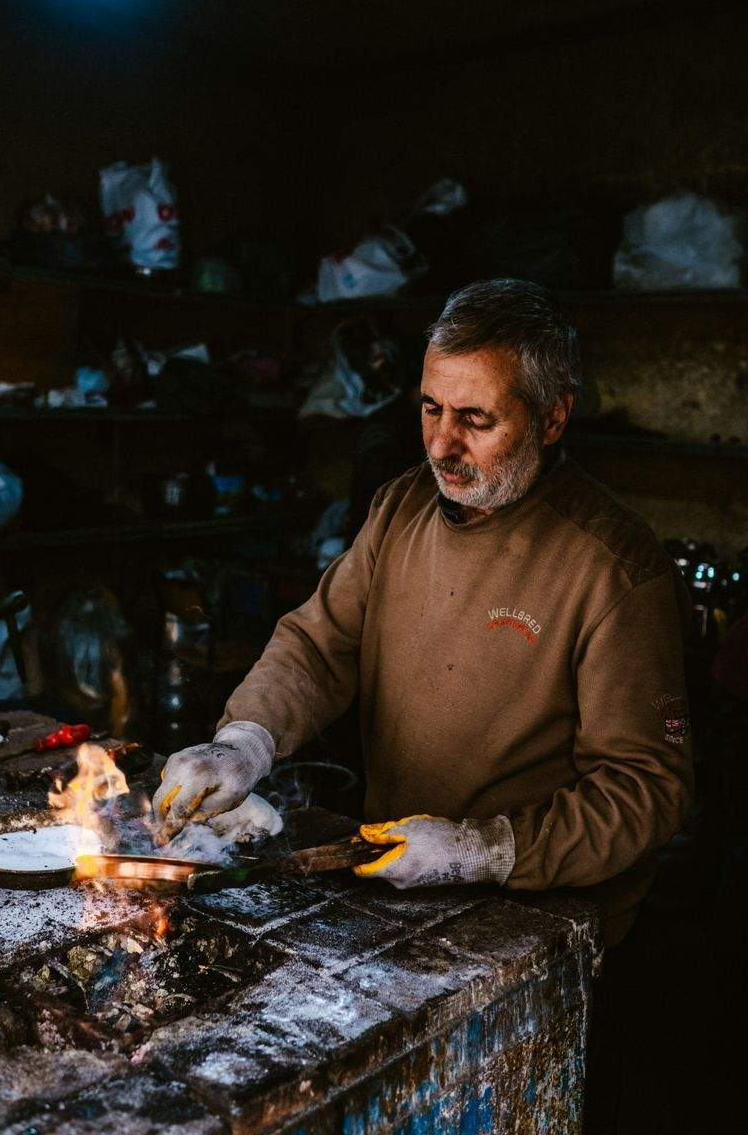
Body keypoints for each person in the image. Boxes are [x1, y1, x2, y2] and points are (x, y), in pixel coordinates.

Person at [153, 277, 693, 951]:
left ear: (553, 418)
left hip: (539, 923)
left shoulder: (614, 567)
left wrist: (487, 851)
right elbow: (320, 645)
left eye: (476, 418)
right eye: (431, 408)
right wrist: (247, 740)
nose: (441, 444)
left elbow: (646, 790)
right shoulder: (401, 507)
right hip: (398, 887)